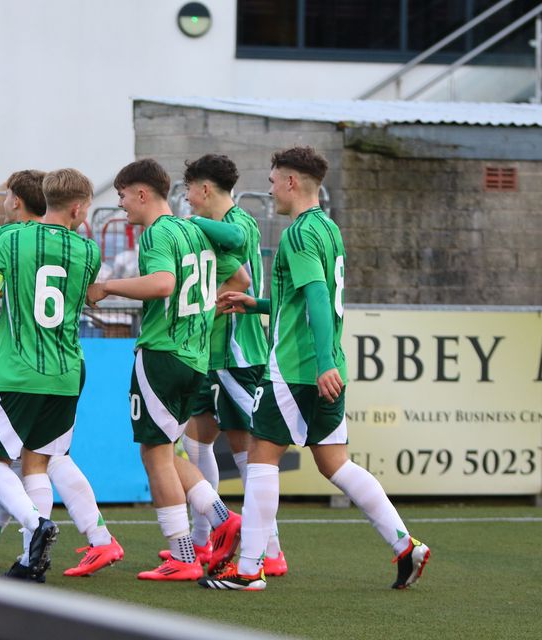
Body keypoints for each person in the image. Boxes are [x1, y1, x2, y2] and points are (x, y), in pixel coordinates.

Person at [206, 147, 430, 591]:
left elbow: (317, 301)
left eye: (273, 180)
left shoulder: (300, 233)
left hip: (296, 369)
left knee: (262, 456)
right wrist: (258, 304)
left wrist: (324, 362)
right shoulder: (327, 228)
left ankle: (249, 568)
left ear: (291, 182)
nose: (269, 189)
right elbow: (306, 299)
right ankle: (404, 543)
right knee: (335, 463)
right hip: (322, 366)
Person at [86, 159, 244, 581]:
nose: (120, 205)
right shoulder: (195, 230)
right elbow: (240, 276)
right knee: (169, 451)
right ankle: (224, 520)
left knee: (154, 455)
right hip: (195, 357)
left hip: (162, 353)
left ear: (142, 193)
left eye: (122, 196)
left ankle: (183, 556)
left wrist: (107, 287)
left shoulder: (158, 232)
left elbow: (162, 284)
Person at [0, 168, 111, 582]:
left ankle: (35, 526)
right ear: (79, 207)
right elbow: (87, 297)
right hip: (66, 373)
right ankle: (32, 562)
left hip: (19, 372)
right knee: (37, 463)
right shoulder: (89, 252)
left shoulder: (11, 241)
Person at [166, 154, 288, 577]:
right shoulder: (216, 227)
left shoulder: (240, 223)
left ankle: (270, 550)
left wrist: (202, 313)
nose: (186, 202)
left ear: (204, 189)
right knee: (196, 446)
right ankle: (203, 542)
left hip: (238, 355)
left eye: (188, 192)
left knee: (250, 457)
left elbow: (241, 281)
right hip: (209, 355)